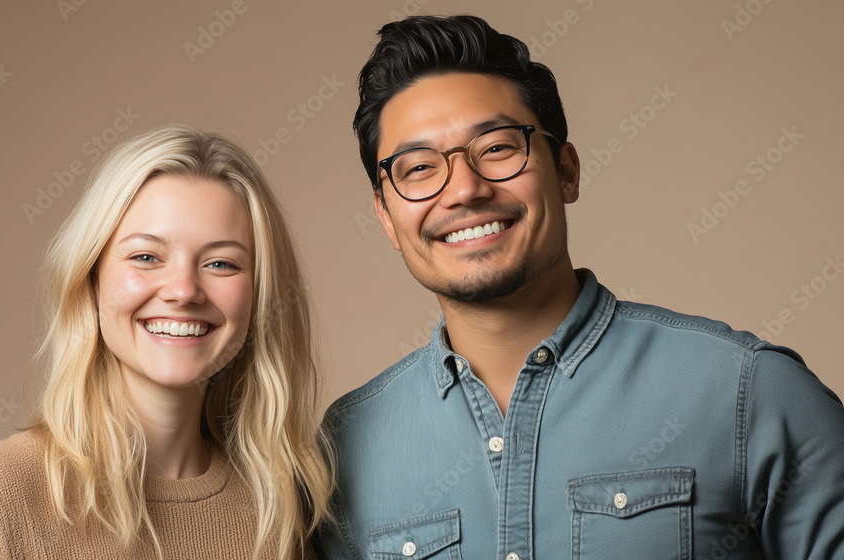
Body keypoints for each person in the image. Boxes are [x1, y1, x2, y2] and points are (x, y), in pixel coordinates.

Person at [316, 15, 844, 560]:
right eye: (419, 167)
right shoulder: (337, 455)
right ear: (385, 215)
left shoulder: (749, 393)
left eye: (497, 148)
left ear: (566, 171)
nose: (465, 190)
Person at [0, 124, 332, 559]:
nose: (183, 291)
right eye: (146, 257)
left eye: (220, 263)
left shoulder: (281, 517)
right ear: (91, 279)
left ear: (259, 297)